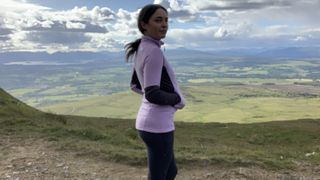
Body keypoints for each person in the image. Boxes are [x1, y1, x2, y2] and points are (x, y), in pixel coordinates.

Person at [125, 4, 186, 180]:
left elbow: (135, 85)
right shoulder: (153, 51)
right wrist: (176, 99)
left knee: (170, 172)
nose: (164, 24)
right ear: (144, 24)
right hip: (157, 126)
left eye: (166, 20)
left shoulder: (142, 49)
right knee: (159, 176)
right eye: (158, 20)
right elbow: (151, 93)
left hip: (150, 123)